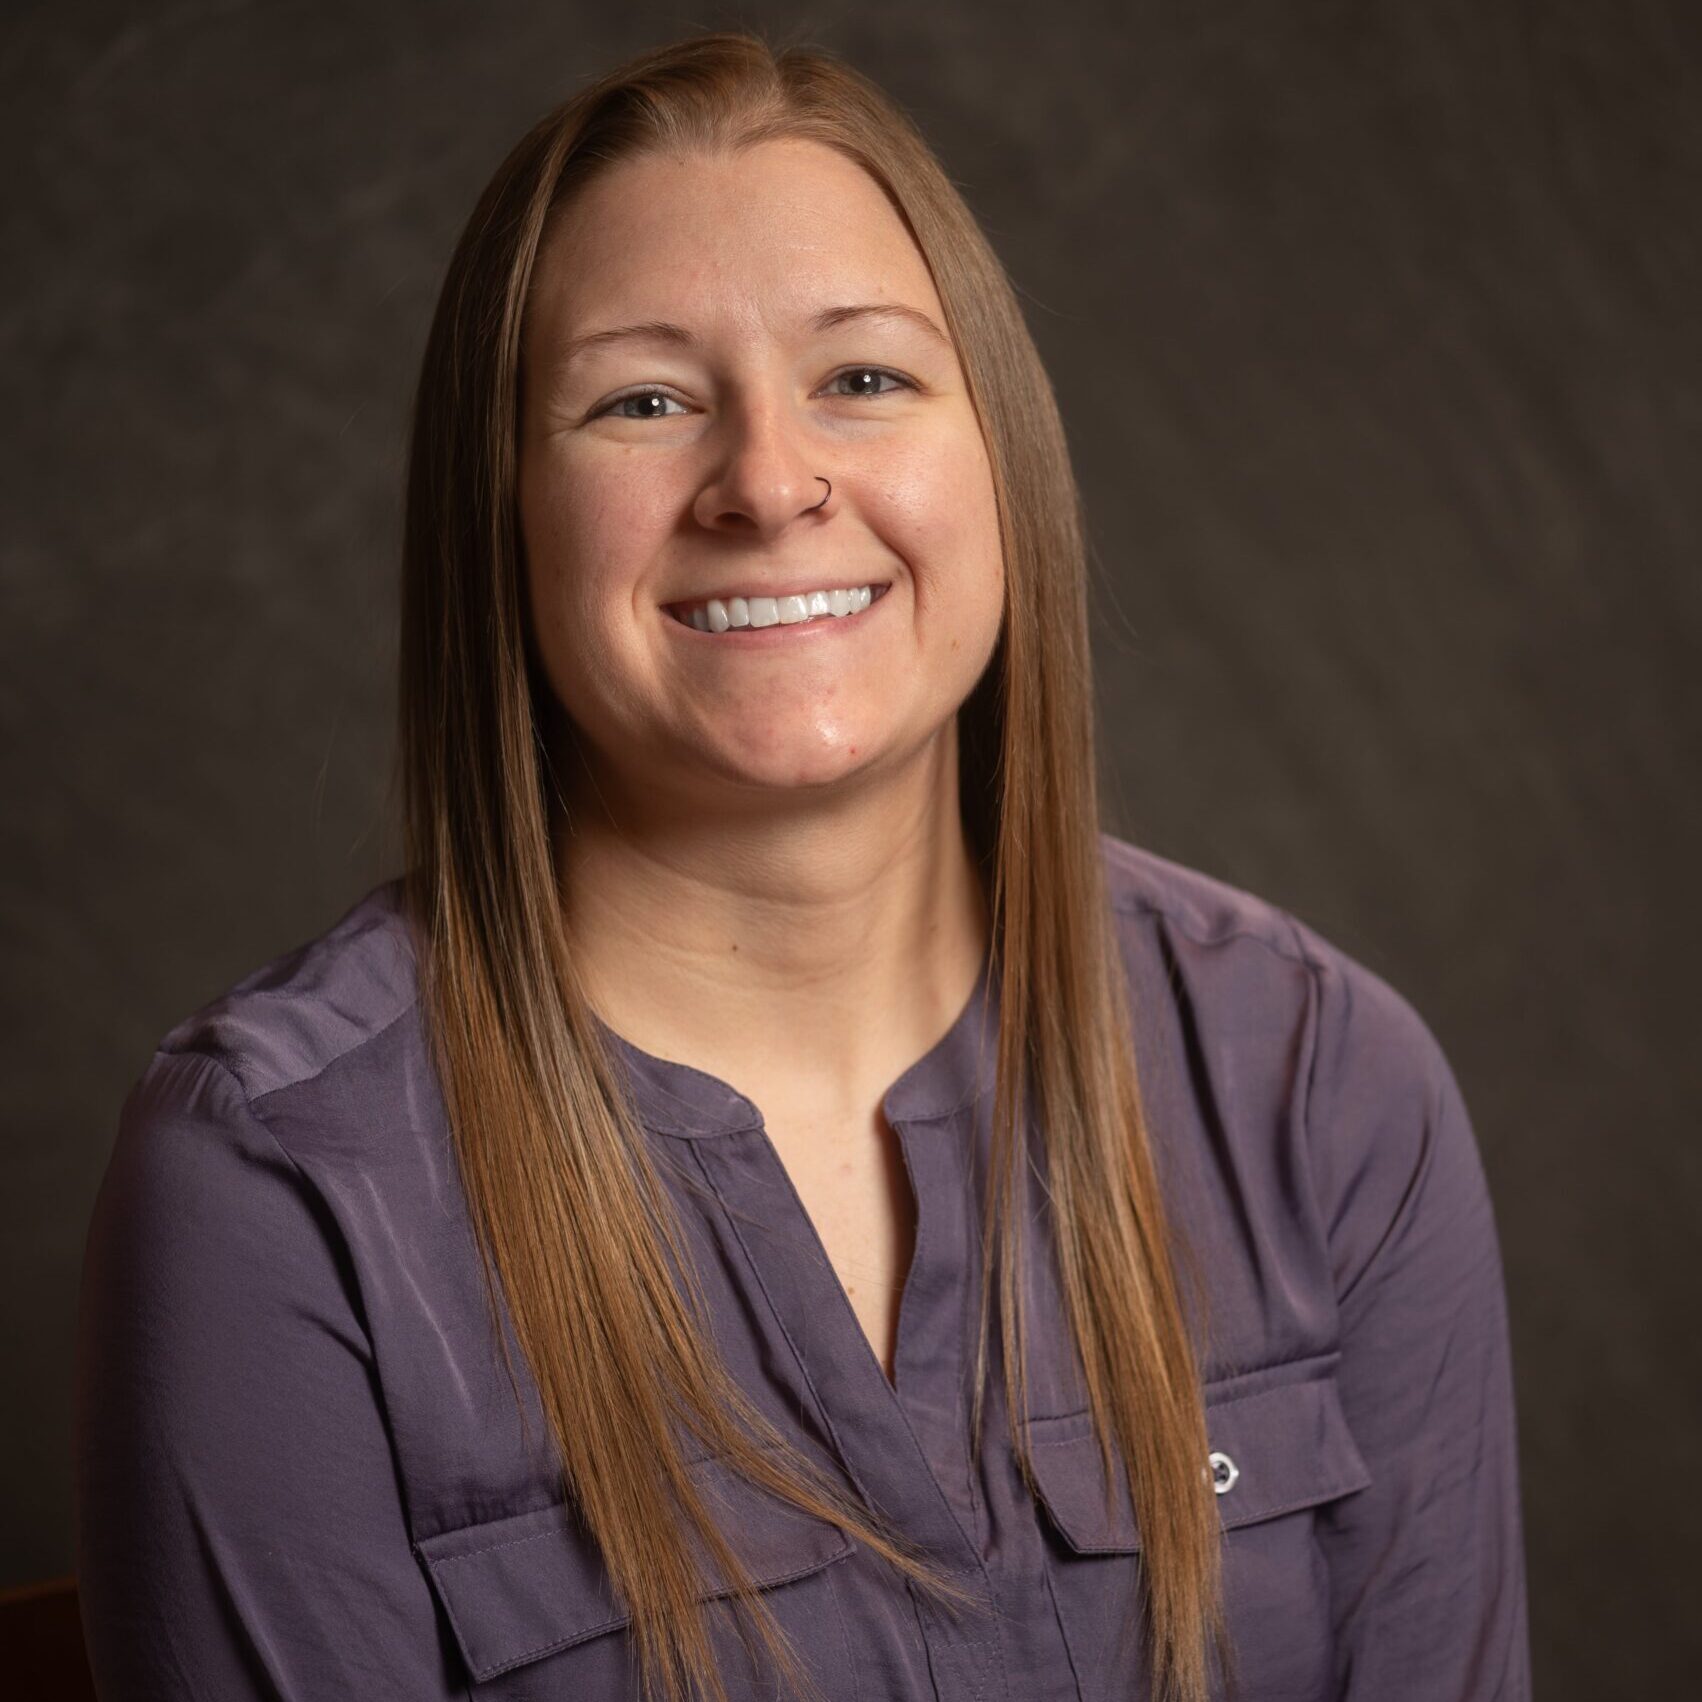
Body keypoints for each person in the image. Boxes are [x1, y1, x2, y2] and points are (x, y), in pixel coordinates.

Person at [71, 29, 1531, 1702]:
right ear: (501, 518)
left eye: (863, 377)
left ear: (1003, 458)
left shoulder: (1320, 1087)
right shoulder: (281, 1196)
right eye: (642, 400)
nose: (768, 482)